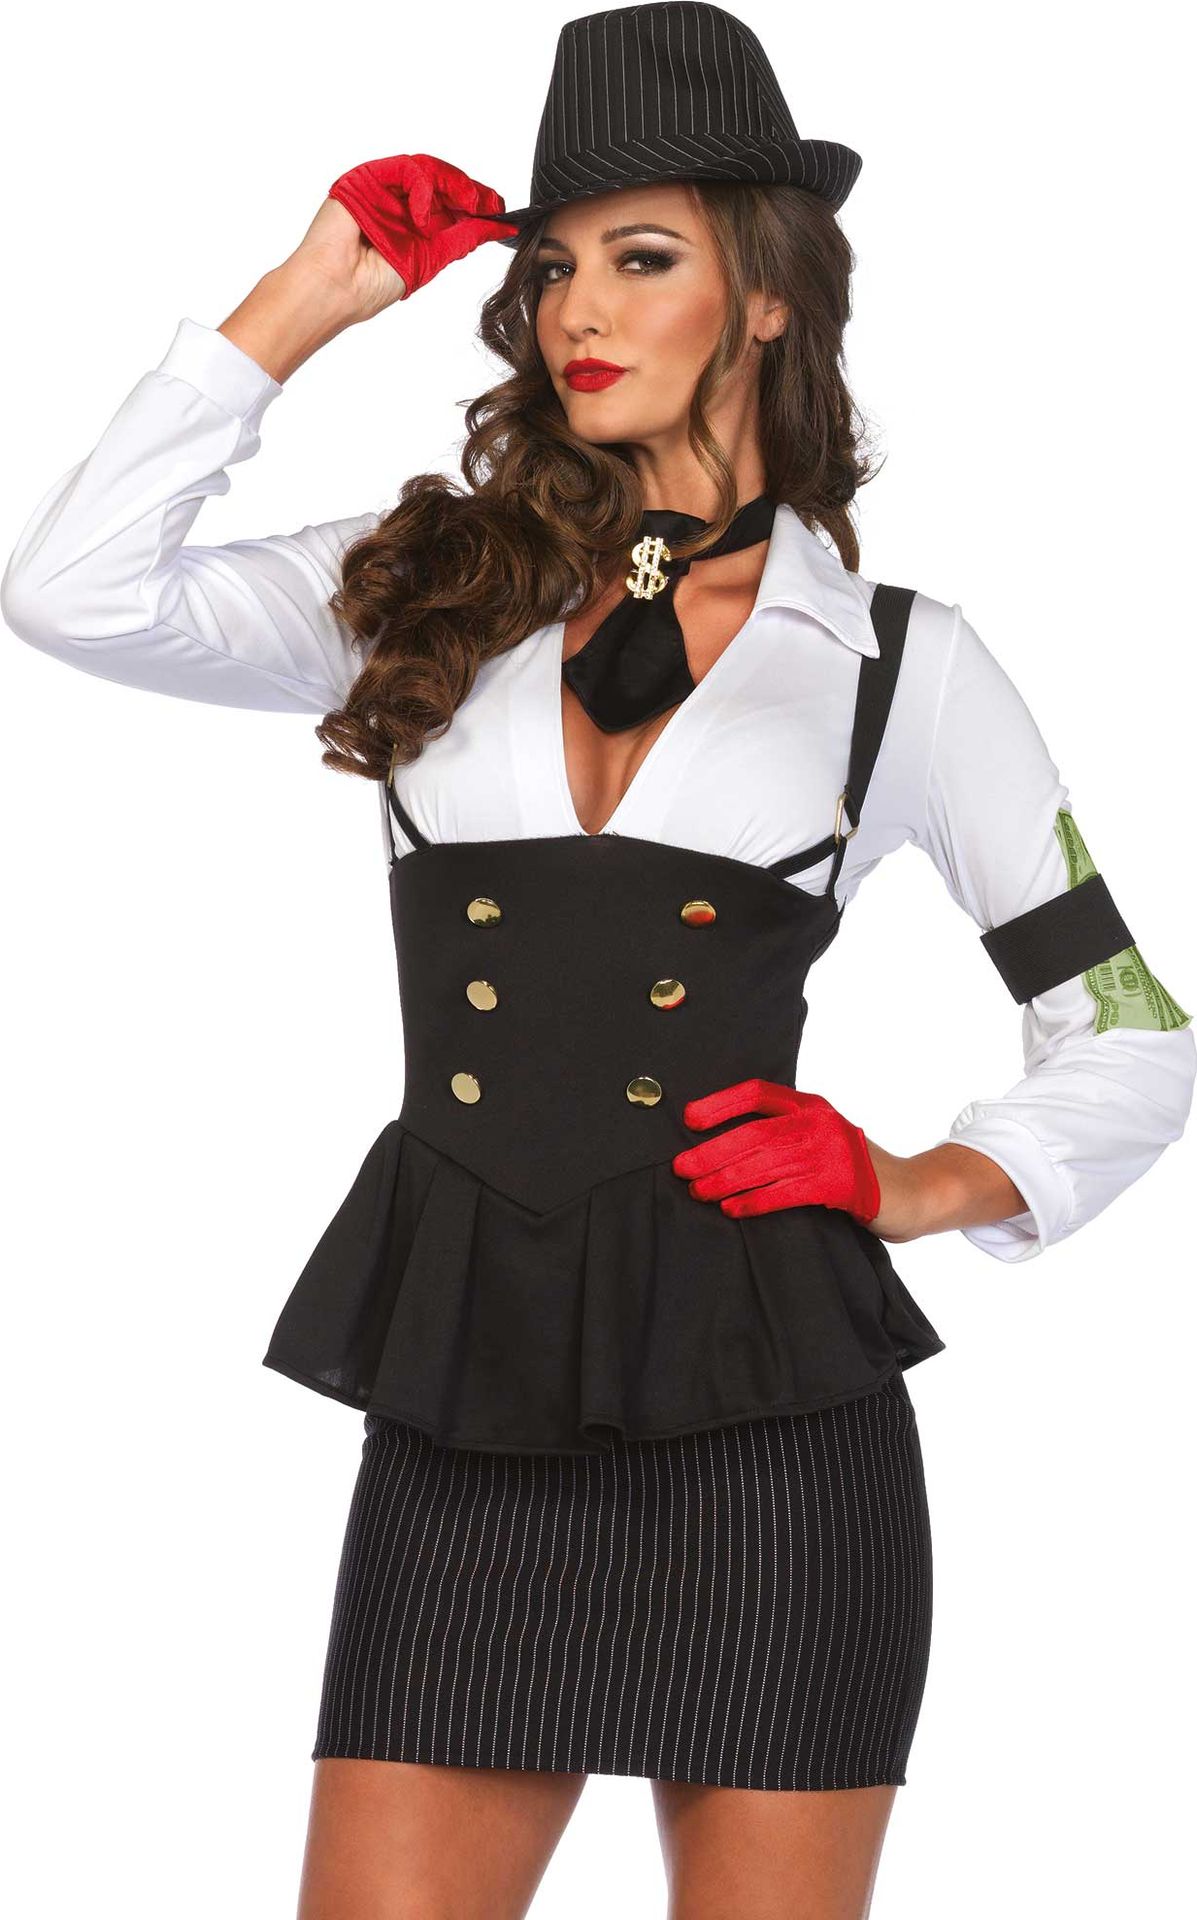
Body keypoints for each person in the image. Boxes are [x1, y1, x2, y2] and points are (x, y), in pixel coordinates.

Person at [4, 5, 1194, 1916]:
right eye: (553, 267)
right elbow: (71, 591)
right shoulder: (420, 592)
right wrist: (304, 299)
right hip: (465, 1400)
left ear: (768, 297)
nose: (579, 309)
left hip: (772, 1428)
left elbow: (1130, 1028)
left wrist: (914, 1180)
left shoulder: (901, 665)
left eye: (641, 259)